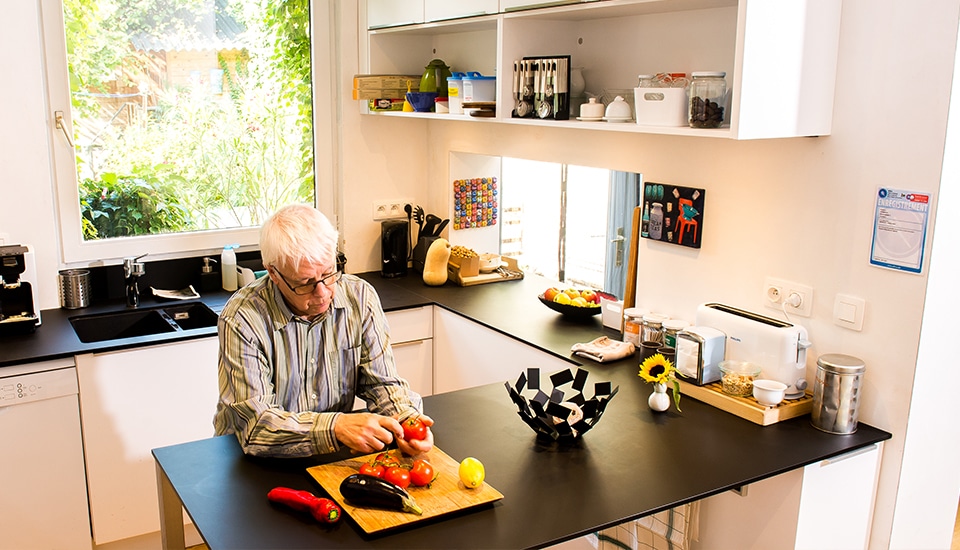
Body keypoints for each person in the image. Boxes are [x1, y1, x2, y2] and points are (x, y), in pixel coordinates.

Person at [214, 203, 433, 458]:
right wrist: (335, 426)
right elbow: (257, 426)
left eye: (329, 273)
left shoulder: (360, 298)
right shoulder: (242, 318)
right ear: (273, 273)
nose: (323, 293)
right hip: (247, 460)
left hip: (327, 452)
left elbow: (381, 382)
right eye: (304, 283)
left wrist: (405, 420)